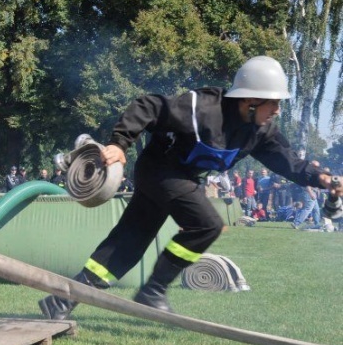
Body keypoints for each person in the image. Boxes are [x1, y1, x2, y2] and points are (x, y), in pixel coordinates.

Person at [38, 56, 343, 319]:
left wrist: (323, 180)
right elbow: (149, 105)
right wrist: (119, 143)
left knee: (126, 243)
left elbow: (288, 162)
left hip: (178, 179)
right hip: (159, 169)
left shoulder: (261, 132)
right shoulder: (202, 109)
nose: (277, 109)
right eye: (273, 102)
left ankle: (59, 301)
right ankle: (153, 290)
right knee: (207, 225)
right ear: (250, 102)